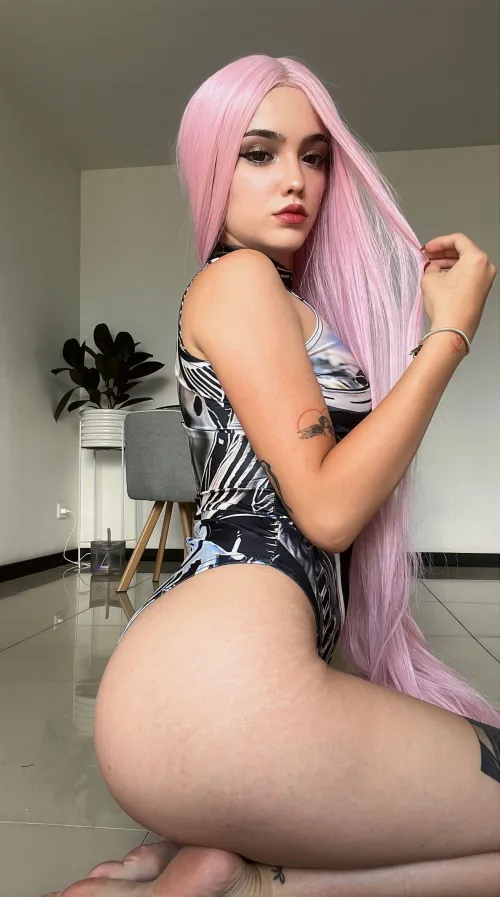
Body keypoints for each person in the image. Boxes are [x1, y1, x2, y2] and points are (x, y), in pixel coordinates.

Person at [48, 55, 499, 897]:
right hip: (227, 692)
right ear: (212, 166)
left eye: (314, 156)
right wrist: (452, 335)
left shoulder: (279, 301)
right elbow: (327, 509)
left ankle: (219, 867)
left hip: (206, 694)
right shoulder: (240, 278)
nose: (295, 179)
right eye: (259, 153)